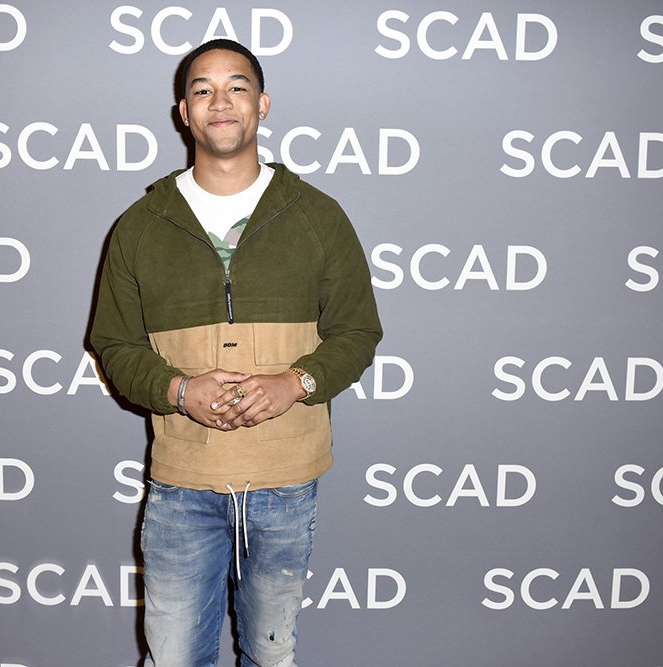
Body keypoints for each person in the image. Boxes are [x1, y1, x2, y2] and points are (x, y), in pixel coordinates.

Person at [90, 39, 382, 667]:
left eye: (237, 86)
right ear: (183, 112)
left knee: (270, 658)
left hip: (285, 484)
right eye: (203, 90)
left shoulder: (319, 217)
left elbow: (358, 332)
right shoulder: (140, 226)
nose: (220, 102)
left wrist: (295, 382)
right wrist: (177, 390)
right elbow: (114, 343)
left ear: (263, 104)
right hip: (181, 486)